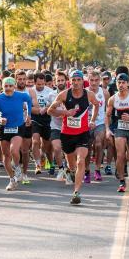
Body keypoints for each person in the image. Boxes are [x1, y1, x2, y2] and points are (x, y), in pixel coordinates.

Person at [48, 70, 100, 205]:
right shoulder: (64, 94)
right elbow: (50, 110)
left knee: (80, 161)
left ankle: (76, 192)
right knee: (72, 165)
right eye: (73, 80)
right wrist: (65, 112)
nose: (76, 83)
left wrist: (92, 119)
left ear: (83, 81)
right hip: (67, 134)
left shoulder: (89, 94)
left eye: (78, 80)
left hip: (83, 134)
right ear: (69, 81)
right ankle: (70, 171)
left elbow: (96, 105)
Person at [0, 76, 33, 191]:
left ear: (14, 86)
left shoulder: (21, 95)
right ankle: (12, 179)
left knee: (14, 150)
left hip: (17, 127)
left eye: (10, 86)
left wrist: (29, 115)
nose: (8, 88)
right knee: (6, 155)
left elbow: (29, 100)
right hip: (4, 128)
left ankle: (17, 167)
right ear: (3, 87)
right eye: (6, 86)